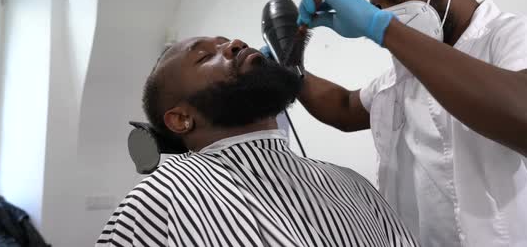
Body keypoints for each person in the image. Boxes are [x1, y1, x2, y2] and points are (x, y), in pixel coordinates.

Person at [294, 0, 527, 246]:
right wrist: (290, 70)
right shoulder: (404, 75)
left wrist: (382, 28)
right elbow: (343, 108)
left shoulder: (518, 35)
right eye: (375, 7)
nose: (387, 13)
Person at [96, 36, 419, 247]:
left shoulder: (351, 184)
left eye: (229, 41)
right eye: (205, 57)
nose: (235, 44)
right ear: (181, 119)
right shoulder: (159, 199)